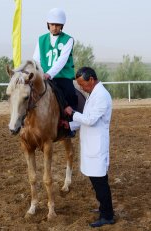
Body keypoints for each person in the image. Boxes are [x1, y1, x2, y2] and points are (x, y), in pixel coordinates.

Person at [65, 67, 115, 228]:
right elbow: (83, 119)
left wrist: (72, 113)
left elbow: (91, 119)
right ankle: (103, 208)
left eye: (82, 84)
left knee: (100, 182)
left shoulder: (102, 95)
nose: (80, 87)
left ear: (91, 80)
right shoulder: (92, 94)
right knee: (96, 180)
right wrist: (69, 125)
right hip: (90, 144)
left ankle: (108, 216)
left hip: (97, 145)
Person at [33, 8, 78, 115]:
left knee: (70, 94)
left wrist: (49, 74)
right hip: (43, 76)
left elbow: (62, 60)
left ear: (62, 26)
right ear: (48, 24)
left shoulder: (68, 39)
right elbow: (35, 59)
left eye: (57, 25)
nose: (54, 27)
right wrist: (38, 73)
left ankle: (71, 122)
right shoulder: (41, 39)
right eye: (52, 24)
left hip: (62, 76)